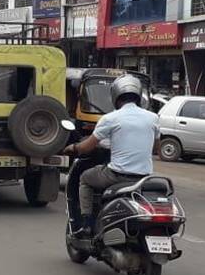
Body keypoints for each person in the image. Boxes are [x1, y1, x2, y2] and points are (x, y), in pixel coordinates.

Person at [65, 74, 160, 236]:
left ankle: (87, 224)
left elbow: (87, 147)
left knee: (85, 178)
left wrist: (73, 147)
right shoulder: (153, 118)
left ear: (115, 96)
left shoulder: (110, 118)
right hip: (144, 178)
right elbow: (156, 148)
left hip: (117, 176)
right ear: (138, 95)